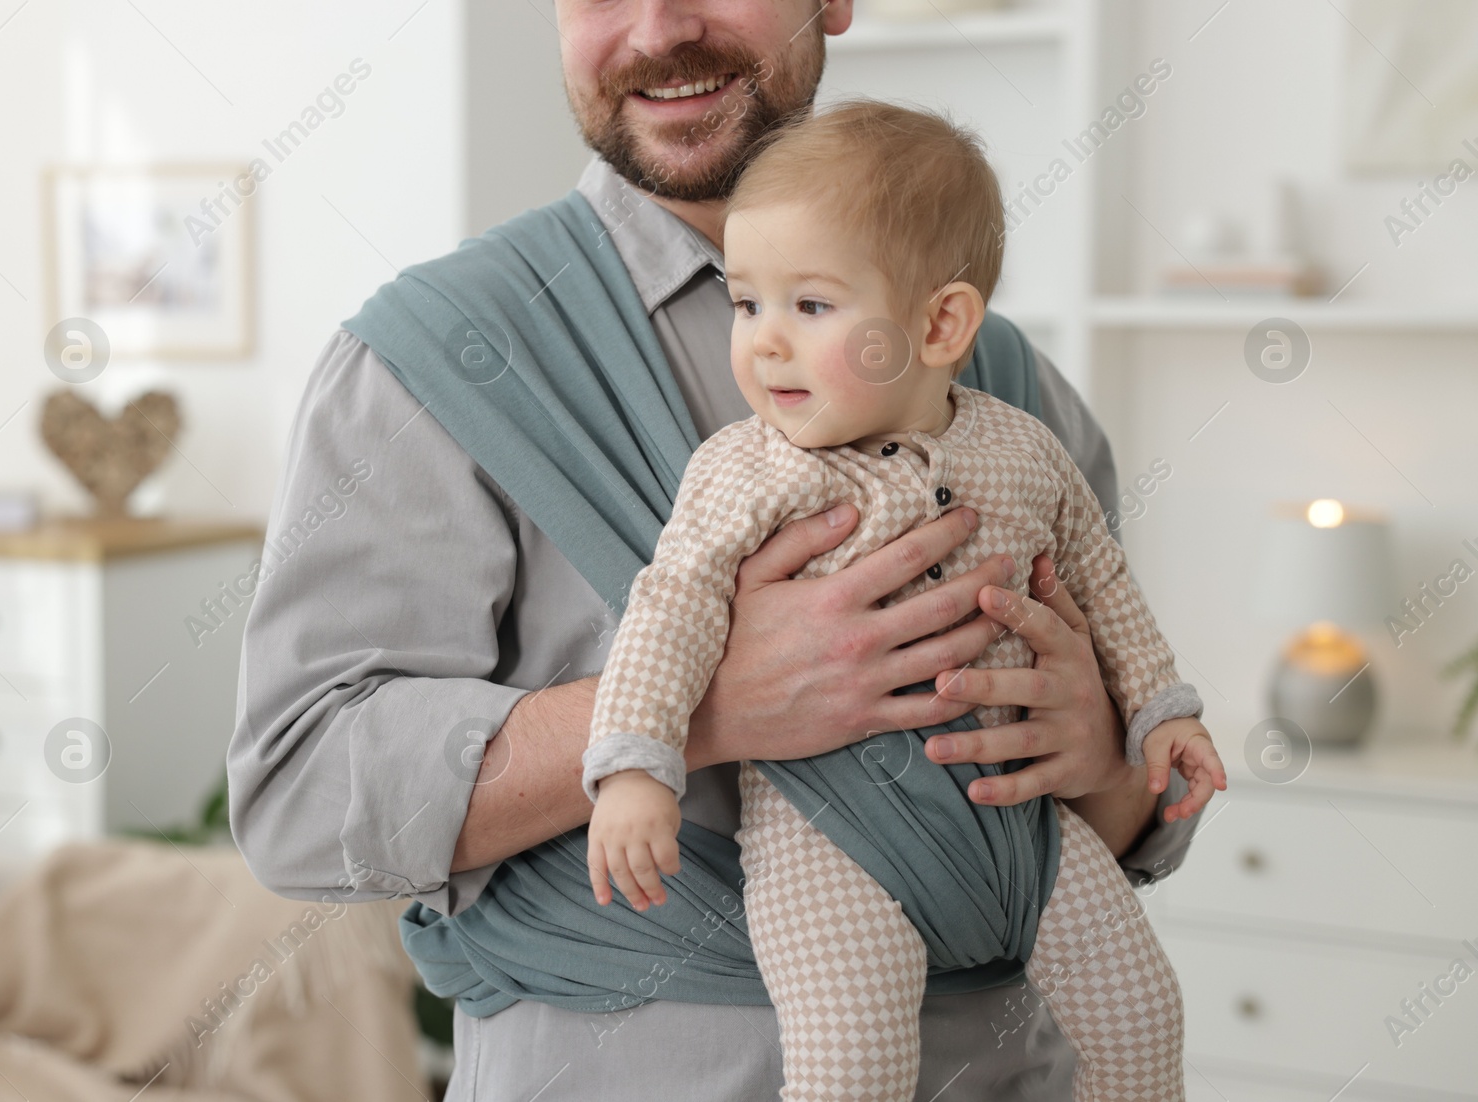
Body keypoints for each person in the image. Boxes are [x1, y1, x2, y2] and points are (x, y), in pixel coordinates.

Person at [228, 2, 1210, 1097]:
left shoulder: (1004, 383)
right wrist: (713, 707)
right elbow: (299, 797)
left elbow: (1133, 814)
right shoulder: (439, 358)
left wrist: (1107, 758)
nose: (655, 30)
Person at [580, 99, 1226, 1102]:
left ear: (938, 324)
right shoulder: (743, 472)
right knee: (852, 1066)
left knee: (1144, 1014)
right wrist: (635, 768)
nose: (765, 344)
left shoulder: (1018, 445)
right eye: (747, 305)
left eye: (811, 306)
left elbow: (1099, 577)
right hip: (831, 839)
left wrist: (1158, 708)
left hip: (1025, 826)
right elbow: (670, 612)